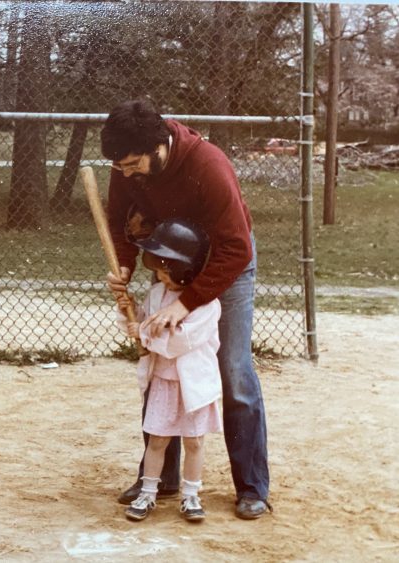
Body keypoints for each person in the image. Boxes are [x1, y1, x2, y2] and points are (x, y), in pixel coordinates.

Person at [101, 100, 271, 519]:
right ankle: (160, 477)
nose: (126, 174)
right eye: (120, 166)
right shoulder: (127, 162)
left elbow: (236, 247)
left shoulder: (208, 165)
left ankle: (252, 486)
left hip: (225, 263)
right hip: (172, 261)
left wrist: (188, 302)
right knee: (162, 360)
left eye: (134, 164)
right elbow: (120, 219)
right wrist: (123, 262)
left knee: (231, 370)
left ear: (160, 145)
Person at [117, 217, 222, 522]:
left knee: (194, 441)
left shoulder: (206, 304)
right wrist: (128, 310)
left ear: (184, 268)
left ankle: (191, 495)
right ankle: (148, 493)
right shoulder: (156, 295)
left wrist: (144, 333)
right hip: (163, 381)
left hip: (193, 385)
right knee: (158, 439)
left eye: (165, 268)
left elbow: (179, 342)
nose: (159, 274)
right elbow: (141, 324)